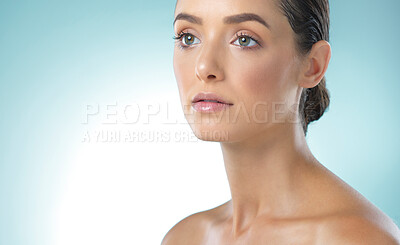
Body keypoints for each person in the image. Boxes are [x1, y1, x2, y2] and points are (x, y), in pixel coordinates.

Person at [162, 0, 400, 244]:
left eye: (244, 39)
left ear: (312, 66)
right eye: (188, 37)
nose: (204, 67)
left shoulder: (357, 238)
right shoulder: (184, 237)